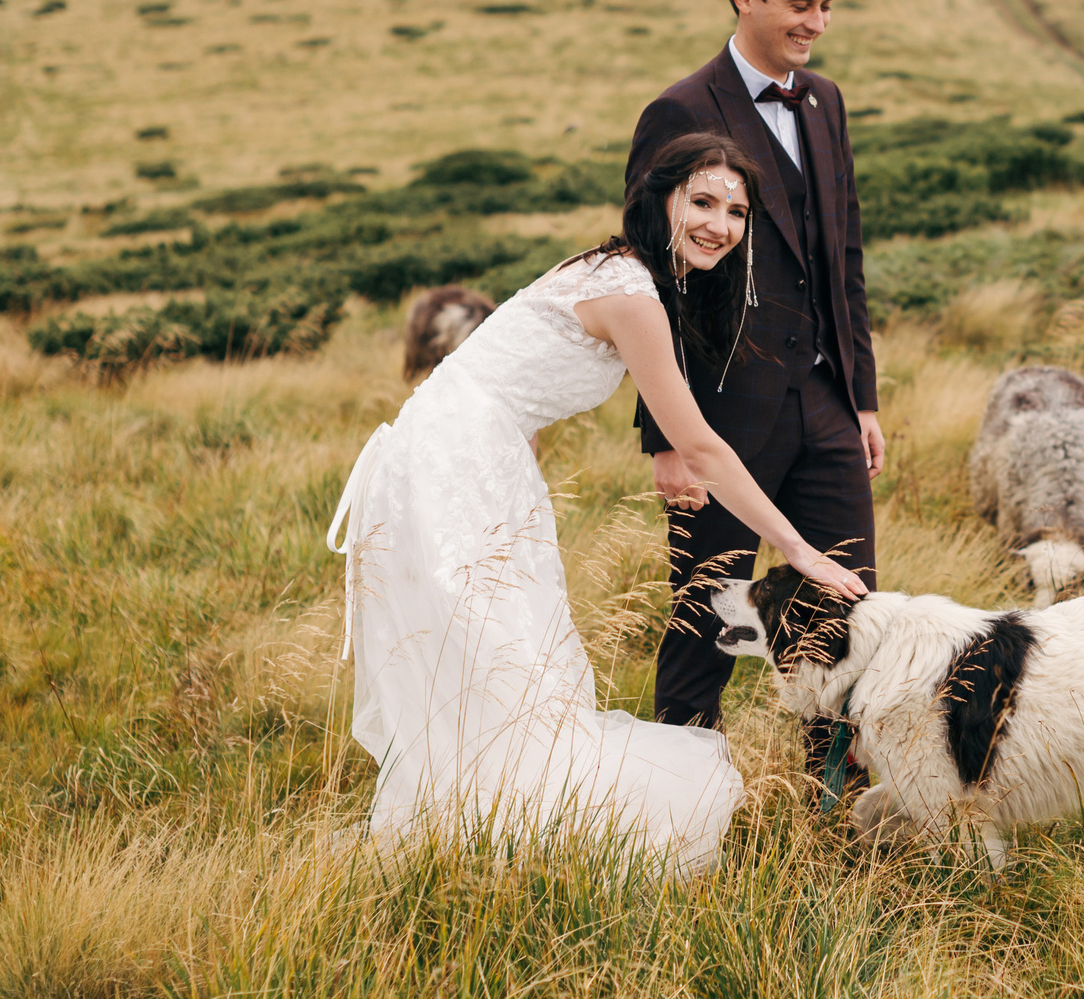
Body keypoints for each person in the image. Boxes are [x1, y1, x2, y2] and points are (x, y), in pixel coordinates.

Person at [326, 132, 866, 874]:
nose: (720, 224)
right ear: (660, 197)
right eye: (702, 201)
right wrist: (800, 551)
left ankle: (495, 826)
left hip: (474, 451)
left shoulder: (627, 273)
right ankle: (499, 828)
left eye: (737, 212)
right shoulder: (631, 292)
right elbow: (703, 447)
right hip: (451, 460)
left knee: (504, 650)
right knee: (497, 650)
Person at [622, 0, 883, 748]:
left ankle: (833, 799)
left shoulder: (827, 103)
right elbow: (650, 279)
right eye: (801, 3)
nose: (816, 22)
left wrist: (862, 399)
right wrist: (664, 437)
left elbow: (842, 253)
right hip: (725, 413)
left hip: (828, 406)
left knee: (846, 605)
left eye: (828, 5)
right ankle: (674, 800)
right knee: (708, 613)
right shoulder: (678, 109)